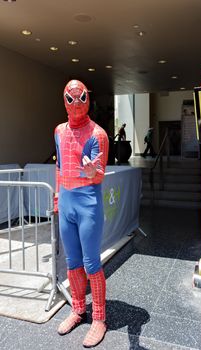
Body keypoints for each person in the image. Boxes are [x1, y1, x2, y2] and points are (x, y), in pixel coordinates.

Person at [54, 80, 109, 348]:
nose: (76, 103)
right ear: (64, 100)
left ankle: (99, 317)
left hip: (88, 204)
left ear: (88, 98)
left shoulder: (98, 134)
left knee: (90, 263)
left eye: (81, 97)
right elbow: (60, 166)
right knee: (72, 261)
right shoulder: (58, 131)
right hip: (66, 203)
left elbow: (99, 174)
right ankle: (78, 308)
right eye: (70, 98)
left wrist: (92, 173)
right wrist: (57, 195)